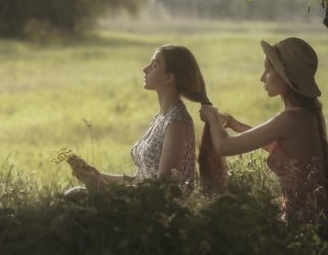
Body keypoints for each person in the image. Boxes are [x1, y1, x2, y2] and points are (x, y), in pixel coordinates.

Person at [199, 37, 328, 225]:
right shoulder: (308, 114)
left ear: (285, 77)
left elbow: (224, 147)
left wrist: (212, 117)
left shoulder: (289, 119)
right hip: (317, 213)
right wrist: (236, 125)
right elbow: (278, 146)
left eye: (268, 71)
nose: (262, 77)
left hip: (307, 221)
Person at [66, 45, 227, 191]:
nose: (145, 69)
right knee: (75, 194)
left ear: (169, 78)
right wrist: (97, 176)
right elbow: (140, 180)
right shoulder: (161, 118)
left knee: (75, 196)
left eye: (154, 65)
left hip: (159, 212)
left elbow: (160, 189)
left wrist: (103, 187)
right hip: (142, 201)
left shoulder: (176, 123)